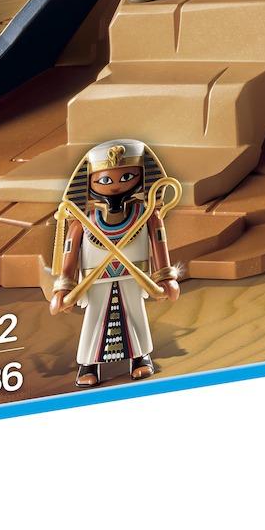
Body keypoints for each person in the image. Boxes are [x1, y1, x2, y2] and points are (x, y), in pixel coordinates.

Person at [50, 140, 181, 387]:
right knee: (94, 319)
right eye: (105, 180)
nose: (116, 185)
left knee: (135, 315)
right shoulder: (82, 220)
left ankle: (140, 358)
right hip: (94, 281)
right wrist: (64, 287)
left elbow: (159, 245)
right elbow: (69, 255)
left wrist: (166, 277)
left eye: (127, 176)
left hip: (135, 277)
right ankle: (89, 365)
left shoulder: (147, 215)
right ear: (88, 180)